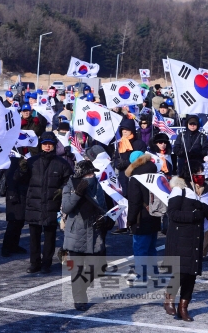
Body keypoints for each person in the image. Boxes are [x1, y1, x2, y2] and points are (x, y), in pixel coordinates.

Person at [164, 160, 208, 321]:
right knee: (180, 273)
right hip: (180, 239)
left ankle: (183, 307)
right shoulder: (179, 191)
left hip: (195, 239)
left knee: (191, 275)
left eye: (202, 172)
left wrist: (201, 206)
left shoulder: (203, 192)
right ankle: (169, 299)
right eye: (198, 172)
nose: (202, 175)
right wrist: (194, 216)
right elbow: (172, 214)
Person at [19, 132, 72, 273]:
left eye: (50, 144)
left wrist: (62, 190)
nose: (47, 146)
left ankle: (46, 264)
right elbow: (21, 182)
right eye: (45, 144)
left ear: (54, 145)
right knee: (34, 237)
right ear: (40, 145)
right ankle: (34, 263)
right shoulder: (31, 162)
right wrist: (22, 170)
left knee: (50, 236)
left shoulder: (62, 163)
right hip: (34, 204)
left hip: (52, 204)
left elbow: (69, 181)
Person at [62, 160, 108, 311]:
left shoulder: (97, 186)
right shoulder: (70, 185)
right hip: (76, 233)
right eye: (88, 173)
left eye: (93, 173)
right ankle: (79, 298)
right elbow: (67, 207)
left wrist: (104, 220)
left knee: (98, 266)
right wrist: (77, 193)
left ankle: (81, 288)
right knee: (77, 269)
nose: (91, 176)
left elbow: (103, 207)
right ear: (81, 174)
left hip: (94, 233)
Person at [125, 152, 161, 285]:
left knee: (140, 248)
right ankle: (154, 273)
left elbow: (134, 202)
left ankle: (142, 276)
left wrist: (130, 220)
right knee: (151, 247)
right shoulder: (156, 173)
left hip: (141, 218)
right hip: (155, 215)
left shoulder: (135, 178)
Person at [112, 118, 147, 200]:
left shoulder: (139, 143)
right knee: (125, 197)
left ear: (132, 130)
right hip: (123, 176)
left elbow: (142, 159)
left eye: (126, 129)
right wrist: (118, 164)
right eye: (122, 129)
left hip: (136, 175)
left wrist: (126, 163)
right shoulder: (120, 144)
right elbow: (116, 158)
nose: (124, 131)